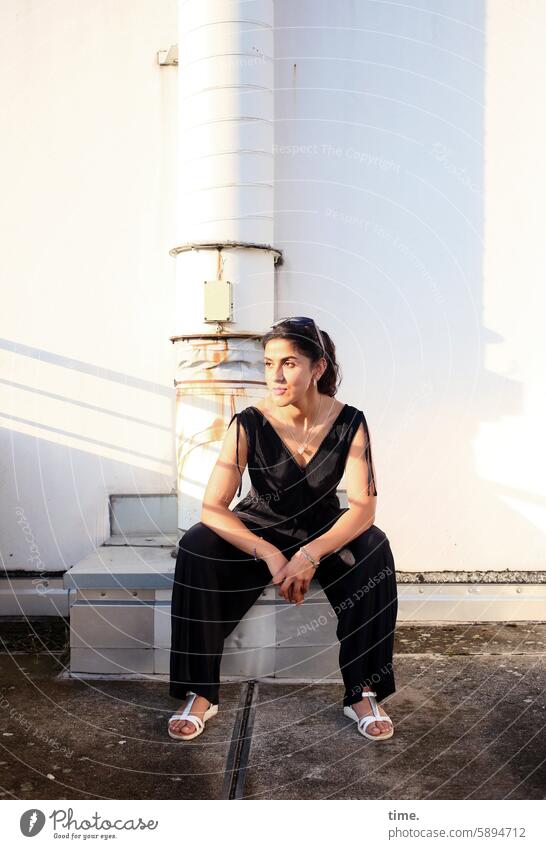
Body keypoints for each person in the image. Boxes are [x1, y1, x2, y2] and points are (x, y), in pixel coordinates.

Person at [168, 317, 398, 742]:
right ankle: (200, 689)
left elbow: (363, 507)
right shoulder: (249, 422)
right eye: (268, 362)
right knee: (197, 545)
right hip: (262, 526)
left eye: (289, 363)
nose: (274, 375)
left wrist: (309, 555)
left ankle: (362, 690)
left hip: (324, 528)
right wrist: (271, 554)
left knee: (374, 547)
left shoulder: (349, 422)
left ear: (318, 368)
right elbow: (213, 508)